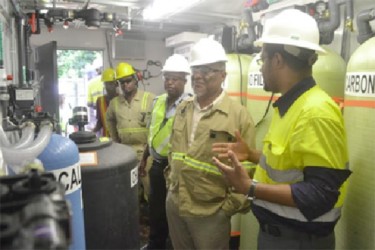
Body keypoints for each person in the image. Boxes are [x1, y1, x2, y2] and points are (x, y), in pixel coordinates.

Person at [212, 9, 351, 250]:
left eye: (263, 58)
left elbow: (321, 194)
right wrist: (252, 154)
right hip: (279, 237)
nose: (262, 66)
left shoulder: (316, 112)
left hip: (298, 242)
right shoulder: (290, 106)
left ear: (278, 60)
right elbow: (292, 164)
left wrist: (249, 188)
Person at [165, 38, 256, 250]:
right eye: (195, 69)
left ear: (223, 75)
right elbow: (174, 153)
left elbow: (249, 169)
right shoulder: (183, 109)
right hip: (176, 202)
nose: (197, 75)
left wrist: (227, 209)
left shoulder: (238, 116)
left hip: (211, 213)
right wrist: (170, 187)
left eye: (206, 70)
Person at [140, 54, 192, 250]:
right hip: (156, 165)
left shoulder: (189, 106)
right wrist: (144, 158)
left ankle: (171, 245)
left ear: (185, 81)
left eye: (176, 79)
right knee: (156, 209)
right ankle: (155, 244)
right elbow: (151, 132)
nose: (170, 83)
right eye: (167, 78)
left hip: (174, 169)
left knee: (174, 212)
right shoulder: (158, 101)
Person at [106, 62, 155, 202]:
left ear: (136, 79)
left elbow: (157, 125)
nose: (125, 85)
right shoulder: (115, 103)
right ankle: (136, 219)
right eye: (121, 82)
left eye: (128, 81)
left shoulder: (150, 98)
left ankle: (150, 219)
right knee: (130, 189)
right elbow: (109, 119)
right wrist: (115, 140)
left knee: (149, 188)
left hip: (146, 151)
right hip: (125, 152)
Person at [93, 68, 118, 137]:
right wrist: (93, 132)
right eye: (106, 83)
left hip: (120, 140)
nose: (108, 86)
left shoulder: (122, 100)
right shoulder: (100, 101)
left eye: (111, 83)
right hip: (106, 140)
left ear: (116, 84)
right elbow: (100, 122)